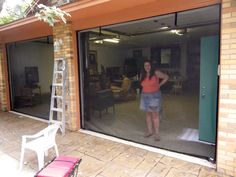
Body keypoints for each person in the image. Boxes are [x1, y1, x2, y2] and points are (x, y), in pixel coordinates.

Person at [140, 60, 169, 141]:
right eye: (145, 65)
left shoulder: (156, 73)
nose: (147, 67)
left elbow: (166, 77)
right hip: (145, 96)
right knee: (148, 115)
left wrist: (159, 85)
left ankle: (157, 134)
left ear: (151, 66)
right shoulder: (143, 74)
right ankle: (150, 131)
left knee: (155, 115)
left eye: (148, 65)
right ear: (144, 67)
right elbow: (143, 85)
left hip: (153, 96)